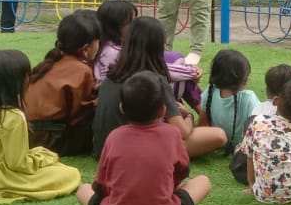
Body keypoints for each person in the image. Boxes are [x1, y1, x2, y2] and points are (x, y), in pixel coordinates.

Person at [76, 72, 212, 205]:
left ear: (121, 108)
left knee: (82, 189)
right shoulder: (172, 134)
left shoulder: (114, 136)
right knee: (203, 181)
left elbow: (100, 184)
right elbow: (182, 171)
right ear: (163, 111)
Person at [91, 16, 227, 159]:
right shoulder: (154, 81)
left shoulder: (111, 75)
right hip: (137, 153)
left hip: (103, 149)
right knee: (219, 135)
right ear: (159, 46)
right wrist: (188, 116)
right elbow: (183, 133)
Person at [0, 49, 83, 203]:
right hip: (1, 179)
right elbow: (17, 164)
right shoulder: (12, 116)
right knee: (70, 174)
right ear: (17, 82)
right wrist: (42, 159)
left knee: (50, 162)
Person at [23, 10, 101, 156]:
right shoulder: (81, 69)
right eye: (98, 41)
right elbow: (78, 116)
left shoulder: (50, 61)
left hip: (28, 134)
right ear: (86, 49)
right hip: (52, 139)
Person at [197, 49, 258, 150]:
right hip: (243, 148)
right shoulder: (249, 98)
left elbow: (202, 124)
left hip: (215, 142)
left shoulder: (210, 91)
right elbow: (259, 131)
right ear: (244, 80)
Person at [92, 0, 138, 82]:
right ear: (116, 24)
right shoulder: (112, 52)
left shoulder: (104, 45)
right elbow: (106, 82)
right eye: (131, 22)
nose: (135, 25)